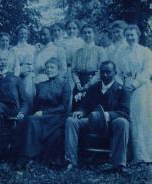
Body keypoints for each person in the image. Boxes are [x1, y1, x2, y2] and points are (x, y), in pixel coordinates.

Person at [65, 61, 130, 174]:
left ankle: (119, 164)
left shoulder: (122, 90)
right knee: (71, 121)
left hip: (111, 124)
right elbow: (85, 106)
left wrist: (108, 115)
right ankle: (71, 161)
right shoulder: (93, 88)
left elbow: (124, 112)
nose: (105, 75)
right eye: (103, 72)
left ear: (115, 73)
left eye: (108, 72)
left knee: (123, 122)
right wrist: (81, 112)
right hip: (92, 120)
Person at [17, 57, 71, 167]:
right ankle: (28, 157)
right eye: (47, 68)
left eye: (52, 67)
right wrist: (26, 114)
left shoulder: (64, 84)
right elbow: (35, 105)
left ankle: (27, 157)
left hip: (57, 116)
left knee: (32, 121)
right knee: (29, 120)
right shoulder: (41, 85)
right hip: (41, 115)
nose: (49, 70)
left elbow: (64, 107)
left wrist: (44, 113)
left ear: (58, 69)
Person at [117, 25, 152, 163]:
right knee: (128, 117)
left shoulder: (145, 51)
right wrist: (122, 84)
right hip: (126, 88)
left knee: (141, 119)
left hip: (142, 88)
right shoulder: (121, 53)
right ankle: (130, 154)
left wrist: (135, 84)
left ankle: (144, 155)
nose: (130, 38)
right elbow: (118, 73)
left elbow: (148, 71)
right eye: (128, 35)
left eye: (132, 35)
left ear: (138, 35)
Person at [72, 24, 107, 110]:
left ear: (94, 34)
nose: (87, 35)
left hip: (94, 82)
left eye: (89, 32)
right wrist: (77, 83)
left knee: (91, 109)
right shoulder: (77, 52)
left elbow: (101, 70)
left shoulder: (100, 50)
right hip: (79, 83)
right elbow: (73, 70)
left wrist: (89, 84)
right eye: (84, 33)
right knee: (77, 107)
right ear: (81, 35)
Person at [11, 24, 36, 105]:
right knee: (17, 94)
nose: (23, 35)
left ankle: (29, 113)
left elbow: (36, 62)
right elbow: (11, 64)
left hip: (29, 73)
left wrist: (29, 68)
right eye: (21, 33)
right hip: (17, 73)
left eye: (25, 33)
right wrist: (19, 70)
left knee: (29, 94)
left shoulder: (32, 48)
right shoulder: (13, 49)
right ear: (17, 34)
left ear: (28, 35)